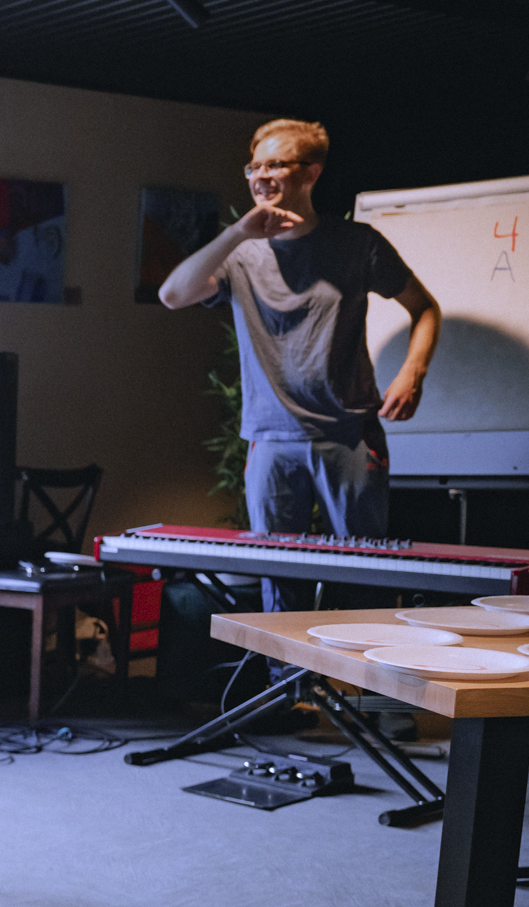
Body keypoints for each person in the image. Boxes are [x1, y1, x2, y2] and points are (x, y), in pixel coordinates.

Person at [157, 118, 441, 614]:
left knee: (363, 577)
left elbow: (425, 308)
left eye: (275, 165)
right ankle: (283, 669)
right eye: (254, 167)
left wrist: (412, 372)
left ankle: (358, 667)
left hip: (348, 433)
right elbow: (172, 295)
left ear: (310, 172)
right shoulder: (241, 254)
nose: (260, 176)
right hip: (271, 438)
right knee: (279, 582)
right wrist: (238, 233)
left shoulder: (358, 244)